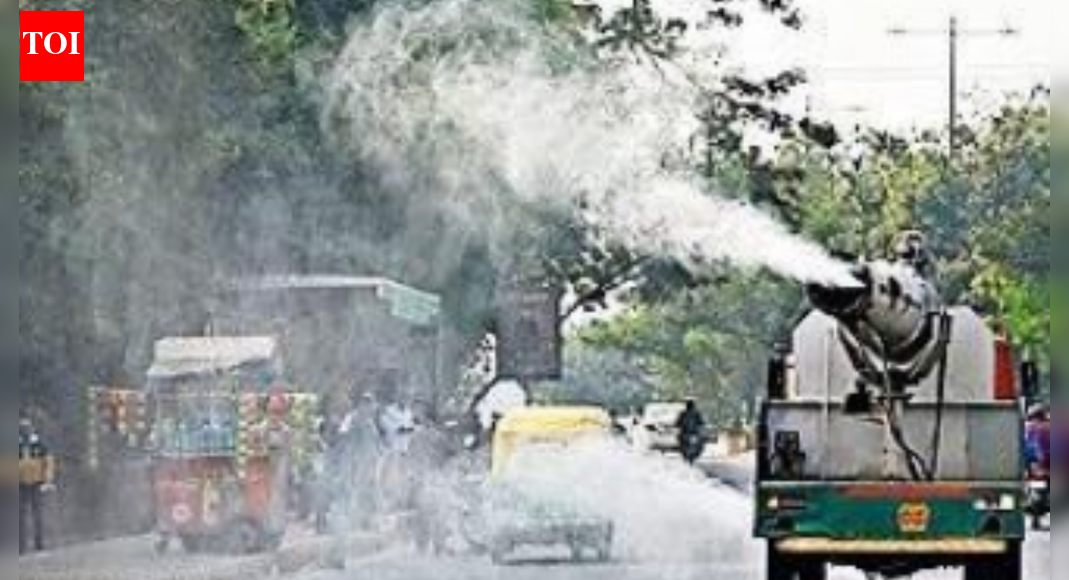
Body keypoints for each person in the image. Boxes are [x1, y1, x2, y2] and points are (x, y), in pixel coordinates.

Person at [19, 415, 55, 554]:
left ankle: (39, 544)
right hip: (20, 484)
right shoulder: (17, 444)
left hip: (37, 483)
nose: (25, 430)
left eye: (27, 427)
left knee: (37, 515)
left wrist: (48, 480)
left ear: (32, 428)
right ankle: (20, 546)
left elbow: (49, 463)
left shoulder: (40, 444)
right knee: (20, 516)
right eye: (22, 428)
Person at [676, 400, 707, 465]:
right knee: (699, 444)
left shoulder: (683, 413)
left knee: (681, 443)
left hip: (685, 433)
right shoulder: (697, 413)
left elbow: (677, 423)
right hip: (694, 434)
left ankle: (686, 457)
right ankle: (691, 458)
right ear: (693, 406)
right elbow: (701, 423)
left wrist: (678, 426)